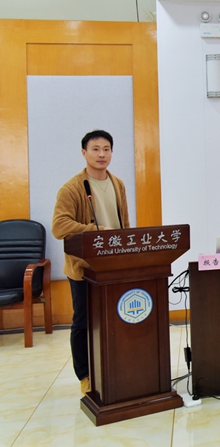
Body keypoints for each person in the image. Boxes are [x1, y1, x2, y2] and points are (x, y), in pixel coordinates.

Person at [52, 130, 130, 396]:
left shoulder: (118, 183)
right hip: (84, 269)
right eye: (95, 149)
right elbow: (59, 226)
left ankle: (113, 368)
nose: (101, 154)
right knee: (83, 322)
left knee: (115, 319)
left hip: (114, 266)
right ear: (84, 153)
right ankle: (85, 376)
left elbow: (123, 224)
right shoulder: (72, 188)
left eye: (106, 149)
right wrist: (94, 231)